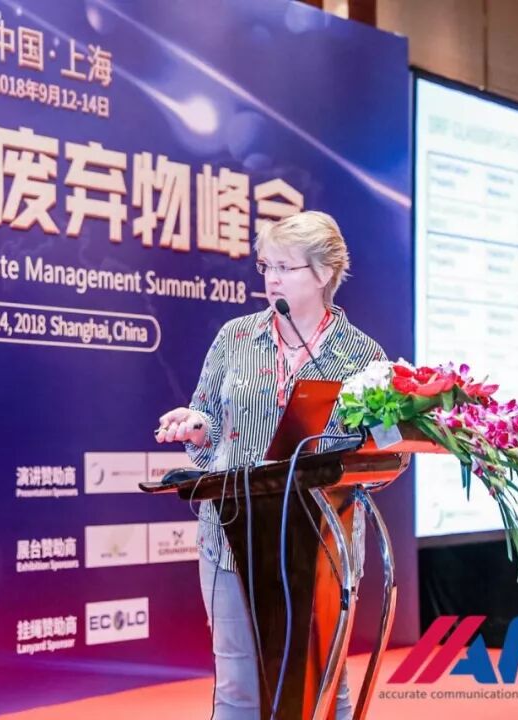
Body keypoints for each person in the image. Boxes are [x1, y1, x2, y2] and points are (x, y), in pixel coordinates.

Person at [155, 211, 386, 720]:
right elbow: (207, 417)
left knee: (325, 685)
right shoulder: (235, 337)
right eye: (266, 266)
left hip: (323, 543)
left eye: (285, 267)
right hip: (233, 534)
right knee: (237, 690)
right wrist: (196, 426)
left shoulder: (362, 355)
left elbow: (377, 456)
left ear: (324, 273)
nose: (271, 279)